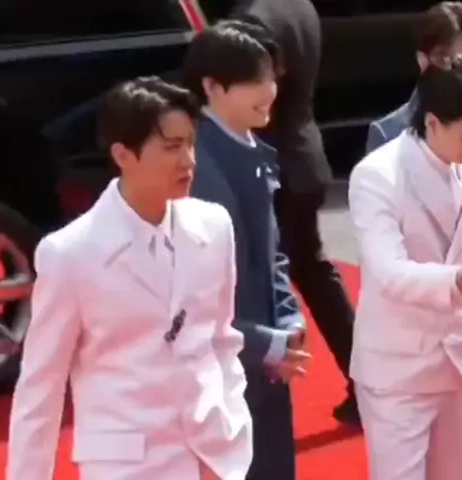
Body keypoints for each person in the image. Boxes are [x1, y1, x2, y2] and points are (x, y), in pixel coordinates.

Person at [6, 77, 253, 480]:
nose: (188, 160)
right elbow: (41, 386)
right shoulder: (70, 253)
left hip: (215, 458)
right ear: (123, 154)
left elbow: (222, 341)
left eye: (191, 143)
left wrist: (231, 429)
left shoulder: (214, 226)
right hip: (126, 465)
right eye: (172, 147)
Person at [184, 24, 308, 480]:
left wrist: (289, 320)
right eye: (255, 80)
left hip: (266, 363)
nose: (269, 90)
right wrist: (266, 343)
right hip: (215, 372)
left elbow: (272, 255)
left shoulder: (251, 149)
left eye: (271, 77)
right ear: (213, 87)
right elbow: (188, 297)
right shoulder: (193, 166)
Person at [226, 0, 357, 424]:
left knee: (263, 279)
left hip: (274, 165)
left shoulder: (252, 18)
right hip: (304, 155)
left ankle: (261, 394)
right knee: (314, 272)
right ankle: (367, 382)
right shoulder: (299, 5)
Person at [349, 63, 462, 480]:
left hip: (456, 365)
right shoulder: (378, 175)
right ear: (432, 123)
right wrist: (457, 281)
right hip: (399, 370)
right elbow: (388, 273)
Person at [366, 1, 462, 154]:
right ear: (422, 59)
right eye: (442, 58)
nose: (453, 70)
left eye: (460, 61)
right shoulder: (387, 134)